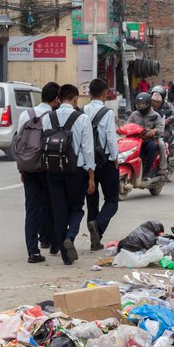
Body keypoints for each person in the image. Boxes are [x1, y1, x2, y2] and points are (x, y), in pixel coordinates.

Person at [44, 85, 96, 265]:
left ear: (58, 99)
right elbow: (88, 150)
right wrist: (91, 176)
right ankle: (70, 237)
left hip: (53, 170)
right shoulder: (82, 118)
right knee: (76, 208)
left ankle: (66, 256)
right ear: (74, 99)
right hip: (75, 171)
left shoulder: (48, 118)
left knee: (59, 212)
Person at [17, 82, 60, 263]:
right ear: (56, 99)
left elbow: (19, 141)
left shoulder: (26, 114)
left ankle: (32, 251)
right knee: (51, 205)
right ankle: (50, 240)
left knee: (32, 208)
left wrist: (21, 167)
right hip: (47, 167)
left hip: (28, 166)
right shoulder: (53, 116)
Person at [84, 78, 119, 252]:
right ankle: (97, 227)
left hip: (86, 162)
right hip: (105, 160)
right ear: (105, 93)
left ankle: (94, 241)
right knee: (112, 200)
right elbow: (111, 139)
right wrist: (115, 158)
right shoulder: (108, 113)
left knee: (92, 200)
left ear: (89, 93)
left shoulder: (82, 111)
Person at [126, 93, 165, 180]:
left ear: (148, 103)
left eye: (143, 104)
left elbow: (160, 129)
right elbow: (127, 125)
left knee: (153, 147)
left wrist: (153, 131)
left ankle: (147, 172)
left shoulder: (156, 115)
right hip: (135, 140)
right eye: (139, 104)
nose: (141, 105)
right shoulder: (134, 114)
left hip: (148, 140)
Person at [151, 87, 174, 172]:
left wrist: (167, 120)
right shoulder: (148, 106)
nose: (155, 103)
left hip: (164, 129)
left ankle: (163, 166)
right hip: (149, 129)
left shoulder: (167, 105)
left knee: (161, 142)